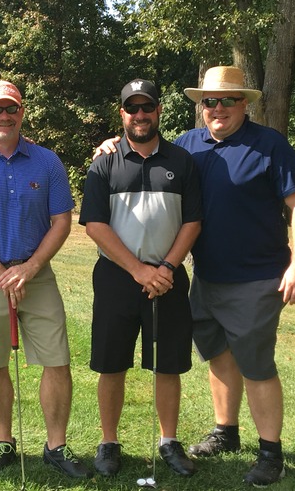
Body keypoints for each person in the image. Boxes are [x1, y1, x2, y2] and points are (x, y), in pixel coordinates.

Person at [94, 66, 295, 487]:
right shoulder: (188, 146)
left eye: (228, 100)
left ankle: (270, 453)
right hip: (205, 277)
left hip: (256, 277)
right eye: (209, 101)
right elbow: (145, 150)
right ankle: (226, 431)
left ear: (244, 103)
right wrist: (110, 145)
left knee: (256, 365)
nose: (218, 108)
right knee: (218, 354)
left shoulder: (269, 145)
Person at [0, 80, 92, 479]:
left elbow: (61, 221)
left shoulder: (47, 162)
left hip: (37, 274)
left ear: (22, 112)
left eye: (11, 108)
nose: (4, 116)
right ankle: (4, 442)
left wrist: (29, 268)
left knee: (57, 360)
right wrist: (1, 274)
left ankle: (56, 446)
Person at [79, 79, 203, 478]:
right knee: (111, 363)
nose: (140, 115)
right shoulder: (104, 163)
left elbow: (193, 221)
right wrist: (138, 270)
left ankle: (169, 441)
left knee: (168, 365)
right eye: (132, 108)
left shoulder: (182, 161)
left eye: (147, 107)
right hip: (117, 277)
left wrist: (165, 268)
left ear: (158, 111)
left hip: (168, 277)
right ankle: (108, 442)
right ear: (122, 114)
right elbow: (94, 224)